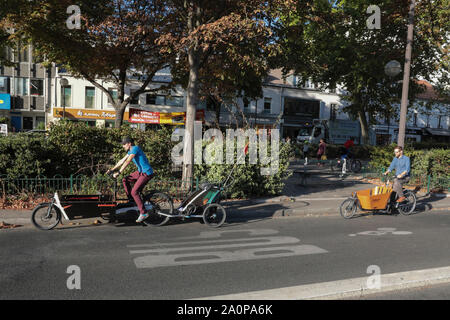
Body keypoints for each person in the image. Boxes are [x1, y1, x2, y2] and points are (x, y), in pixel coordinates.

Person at [107, 136, 155, 222]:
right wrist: (112, 169)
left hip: (146, 173)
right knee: (125, 180)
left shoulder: (135, 148)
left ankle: (144, 213)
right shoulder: (130, 151)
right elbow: (122, 160)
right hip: (140, 172)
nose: (123, 146)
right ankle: (132, 200)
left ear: (129, 144)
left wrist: (119, 172)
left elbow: (127, 161)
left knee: (134, 192)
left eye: (124, 144)